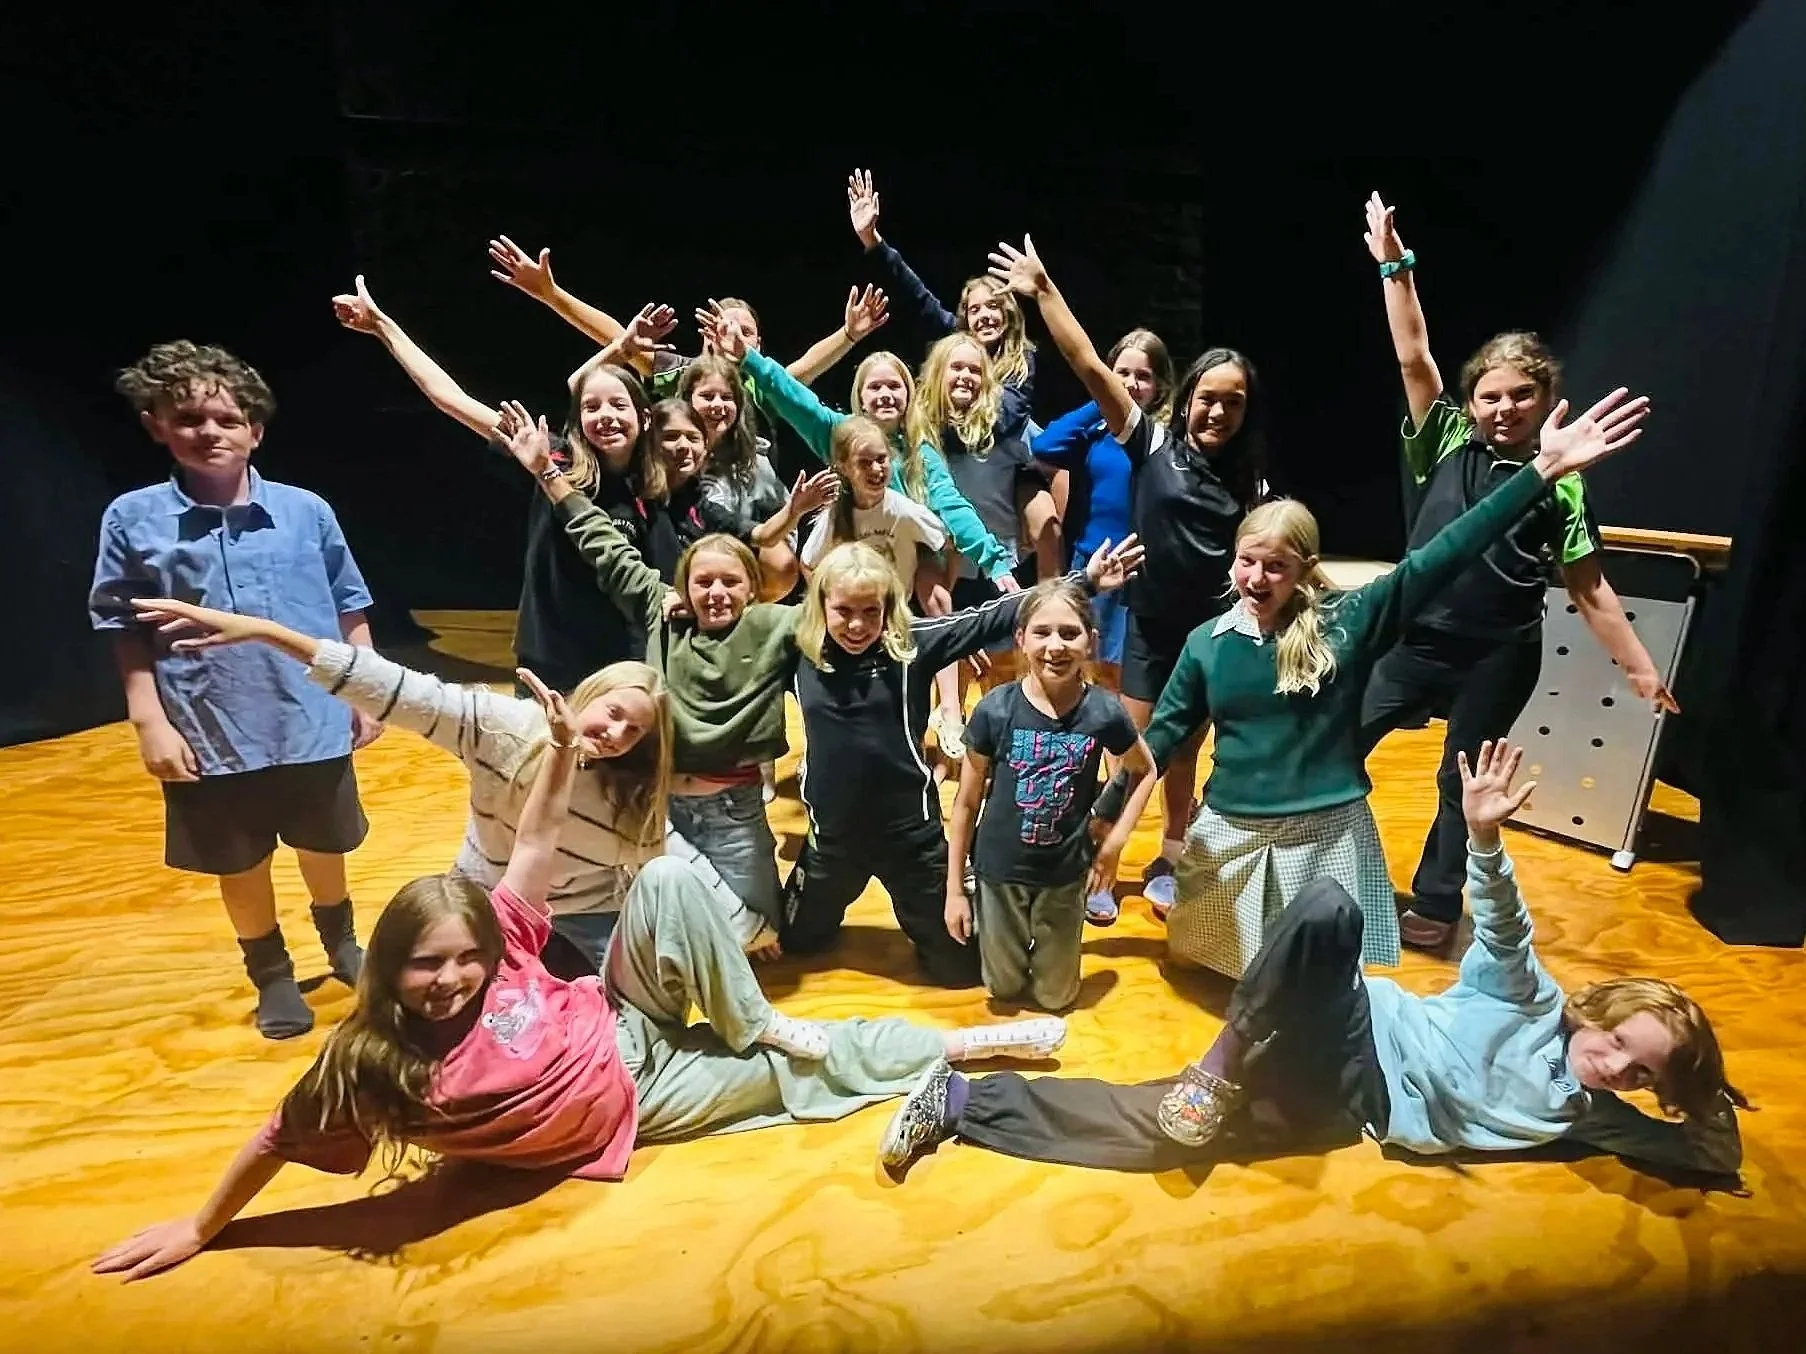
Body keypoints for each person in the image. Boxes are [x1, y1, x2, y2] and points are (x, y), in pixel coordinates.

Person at [92, 669, 1068, 1283]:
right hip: (635, 1093)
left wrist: (559, 752)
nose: (453, 977)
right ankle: (964, 1046)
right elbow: (276, 1133)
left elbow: (537, 842)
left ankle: (757, 1018)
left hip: (620, 1010)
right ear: (389, 972)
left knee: (671, 879)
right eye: (428, 965)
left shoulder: (507, 942)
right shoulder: (370, 1060)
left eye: (465, 955)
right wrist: (205, 1225)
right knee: (812, 1069)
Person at [878, 740, 1748, 1183]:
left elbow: (1712, 1158)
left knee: (1169, 1139)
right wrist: (1484, 839)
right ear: (1599, 1013)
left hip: (1350, 1110)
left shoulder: (1592, 1116)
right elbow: (1507, 926)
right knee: (1330, 906)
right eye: (1621, 1044)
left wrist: (1696, 1082)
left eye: (1641, 1075)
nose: (1617, 1069)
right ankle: (1221, 1062)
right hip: (1354, 1027)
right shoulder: (1531, 1001)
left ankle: (959, 1102)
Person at [1085, 385, 1652, 979]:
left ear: (1305, 569)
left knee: (1306, 977)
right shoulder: (1208, 643)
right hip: (1232, 827)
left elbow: (1448, 551)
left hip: (1325, 832)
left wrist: (1541, 471)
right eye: (1247, 561)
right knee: (1204, 965)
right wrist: (1105, 810)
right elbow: (1159, 740)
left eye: (1276, 566)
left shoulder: (1350, 621)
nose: (1257, 578)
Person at [1355, 193, 1679, 951]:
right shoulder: (1444, 440)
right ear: (1469, 403)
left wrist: (1639, 668)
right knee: (1337, 738)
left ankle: (1436, 903)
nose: (1504, 408)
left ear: (1546, 401)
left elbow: (1588, 587)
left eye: (1520, 395)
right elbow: (1413, 355)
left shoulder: (1562, 483)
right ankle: (1300, 855)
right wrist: (1395, 266)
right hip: (1413, 637)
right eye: (1490, 396)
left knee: (1460, 779)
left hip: (1498, 654)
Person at [124, 596, 773, 968]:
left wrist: (752, 931)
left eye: (634, 732)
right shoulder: (505, 728)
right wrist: (268, 634)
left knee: (616, 1024)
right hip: (485, 893)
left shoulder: (627, 800)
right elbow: (401, 690)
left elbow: (681, 864)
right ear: (588, 694)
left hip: (581, 917)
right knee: (426, 990)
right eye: (613, 712)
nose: (616, 732)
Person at [90, 341, 380, 1040]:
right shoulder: (132, 518)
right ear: (156, 424)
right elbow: (121, 625)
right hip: (209, 729)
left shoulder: (306, 511)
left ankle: (342, 943)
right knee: (240, 860)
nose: (210, 432)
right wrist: (148, 719)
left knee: (324, 842)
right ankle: (271, 973)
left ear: (255, 430)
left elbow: (349, 603)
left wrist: (365, 687)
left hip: (310, 716)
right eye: (189, 418)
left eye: (227, 419)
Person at [987, 237, 1269, 915]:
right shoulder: (1152, 442)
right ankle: (1098, 868)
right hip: (1149, 630)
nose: (1218, 413)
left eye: (1233, 403)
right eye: (1208, 398)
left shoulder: (1250, 483)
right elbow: (1088, 364)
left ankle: (1170, 858)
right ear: (1187, 397)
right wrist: (1044, 289)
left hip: (1209, 640)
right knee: (1127, 750)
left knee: (1183, 757)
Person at [502, 402, 817, 933]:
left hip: (734, 813)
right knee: (669, 931)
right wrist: (547, 472)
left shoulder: (775, 625)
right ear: (684, 586)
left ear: (752, 588)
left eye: (731, 582)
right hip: (657, 810)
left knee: (759, 933)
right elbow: (602, 542)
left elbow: (841, 609)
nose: (716, 593)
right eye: (703, 582)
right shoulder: (659, 607)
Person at [783, 537, 1146, 986]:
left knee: (961, 970)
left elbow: (990, 616)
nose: (857, 625)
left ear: (888, 607)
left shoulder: (911, 646)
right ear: (821, 606)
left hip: (911, 839)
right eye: (843, 611)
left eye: (870, 611)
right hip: (832, 839)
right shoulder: (796, 650)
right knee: (794, 942)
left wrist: (1084, 582)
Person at [331, 277, 668, 688]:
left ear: (644, 418)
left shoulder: (656, 487)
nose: (606, 416)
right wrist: (383, 326)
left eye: (618, 405)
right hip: (551, 665)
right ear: (578, 419)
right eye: (591, 407)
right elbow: (449, 398)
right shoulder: (552, 456)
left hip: (626, 667)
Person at [946, 580, 1158, 1006]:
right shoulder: (995, 709)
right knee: (1002, 989)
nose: (1055, 646)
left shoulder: (1103, 710)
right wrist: (952, 890)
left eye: (1069, 633)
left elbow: (1145, 769)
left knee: (1056, 998)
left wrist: (1114, 842)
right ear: (1021, 639)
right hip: (999, 869)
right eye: (1042, 632)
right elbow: (966, 804)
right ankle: (983, 911)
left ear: (1090, 641)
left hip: (1064, 871)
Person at [1028, 327, 1177, 690]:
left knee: (1131, 674)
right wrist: (1103, 396)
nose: (1131, 384)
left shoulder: (1165, 436)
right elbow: (1045, 446)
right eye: (1121, 373)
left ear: (1159, 385)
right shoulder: (1095, 431)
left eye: (1143, 376)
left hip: (1145, 570)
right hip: (1096, 563)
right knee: (1087, 667)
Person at [798, 414, 948, 595]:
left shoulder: (904, 511)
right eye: (864, 463)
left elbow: (949, 544)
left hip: (894, 607)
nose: (876, 469)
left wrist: (944, 586)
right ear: (844, 468)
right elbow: (808, 564)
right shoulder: (835, 517)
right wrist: (828, 601)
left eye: (881, 459)